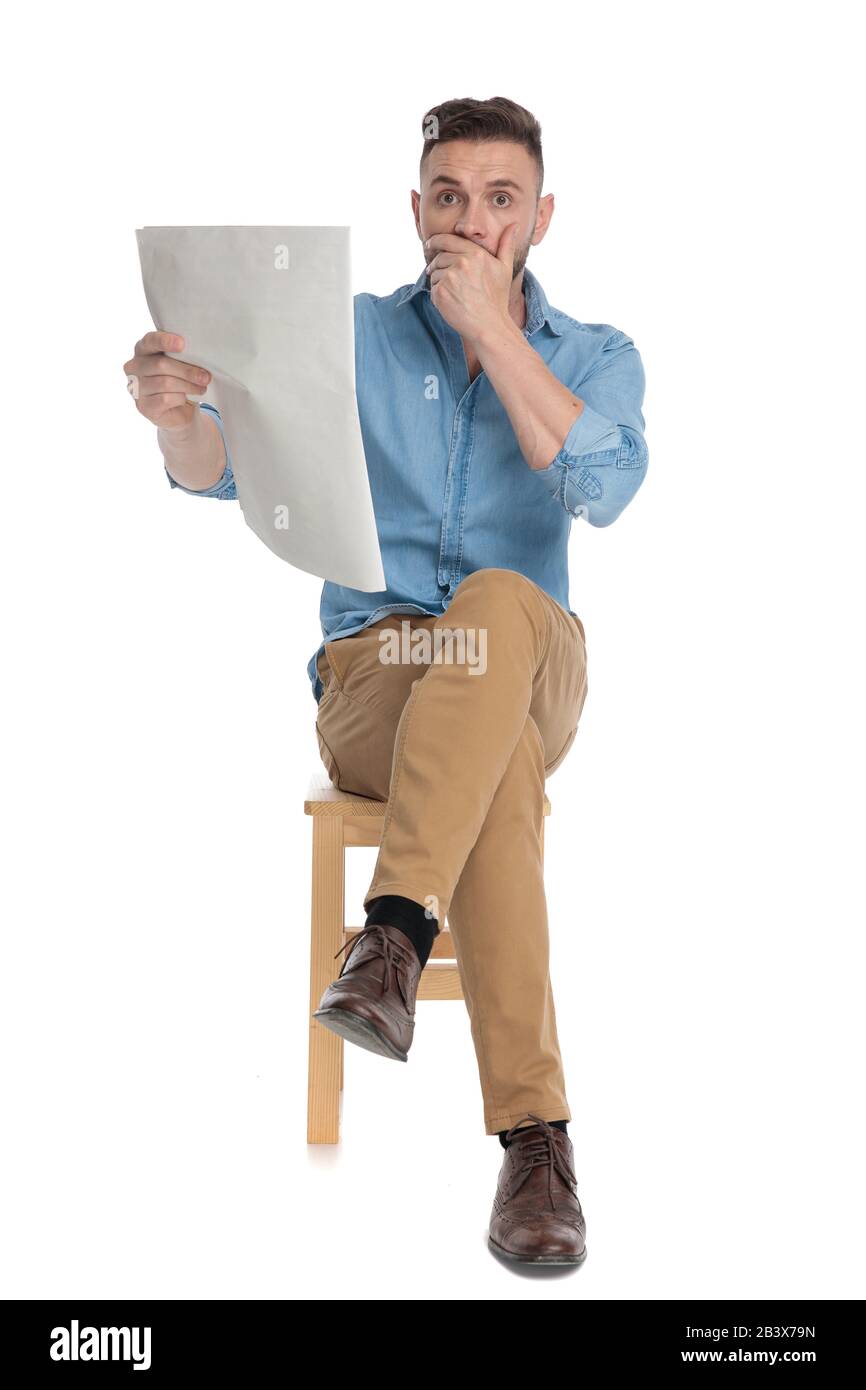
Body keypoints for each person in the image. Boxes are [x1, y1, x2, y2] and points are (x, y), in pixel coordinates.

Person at [123, 96, 649, 1267]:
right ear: (415, 210)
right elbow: (221, 470)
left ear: (539, 218)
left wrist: (496, 335)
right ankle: (535, 1144)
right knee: (489, 753)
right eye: (448, 197)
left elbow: (603, 489)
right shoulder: (349, 336)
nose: (471, 221)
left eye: (499, 199)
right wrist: (172, 420)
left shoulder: (595, 356)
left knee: (499, 606)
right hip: (381, 670)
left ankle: (391, 935)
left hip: (529, 657)